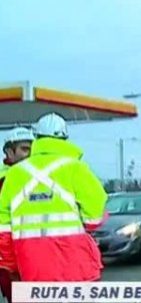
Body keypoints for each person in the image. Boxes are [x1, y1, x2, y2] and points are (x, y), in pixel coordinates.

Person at [0, 113, 108, 282]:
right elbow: (95, 218)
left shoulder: (13, 175)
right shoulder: (77, 169)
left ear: (36, 138)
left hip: (32, 268)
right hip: (76, 267)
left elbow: (3, 231)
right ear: (65, 138)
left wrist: (11, 266)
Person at [0, 127, 34, 302]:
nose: (29, 154)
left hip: (36, 257)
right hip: (12, 263)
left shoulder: (38, 177)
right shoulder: (3, 181)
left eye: (31, 149)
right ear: (9, 152)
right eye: (24, 149)